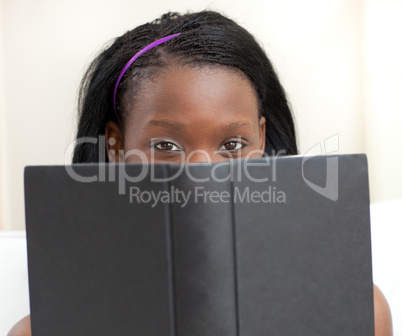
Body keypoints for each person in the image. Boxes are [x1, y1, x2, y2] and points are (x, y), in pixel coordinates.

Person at [8, 10, 392, 336]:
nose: (201, 177)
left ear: (260, 139)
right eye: (165, 146)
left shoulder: (359, 314)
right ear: (116, 145)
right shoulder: (43, 331)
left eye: (232, 145)